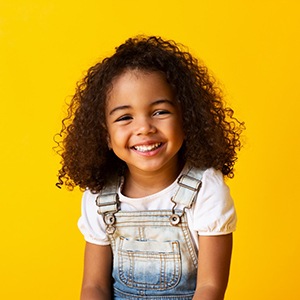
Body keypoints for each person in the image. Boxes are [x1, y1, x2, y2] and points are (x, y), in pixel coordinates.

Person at [55, 35, 244, 300]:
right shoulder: (100, 197)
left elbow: (210, 288)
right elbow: (94, 287)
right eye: (125, 117)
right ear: (106, 135)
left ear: (186, 118)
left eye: (160, 112)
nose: (144, 128)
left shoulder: (206, 191)